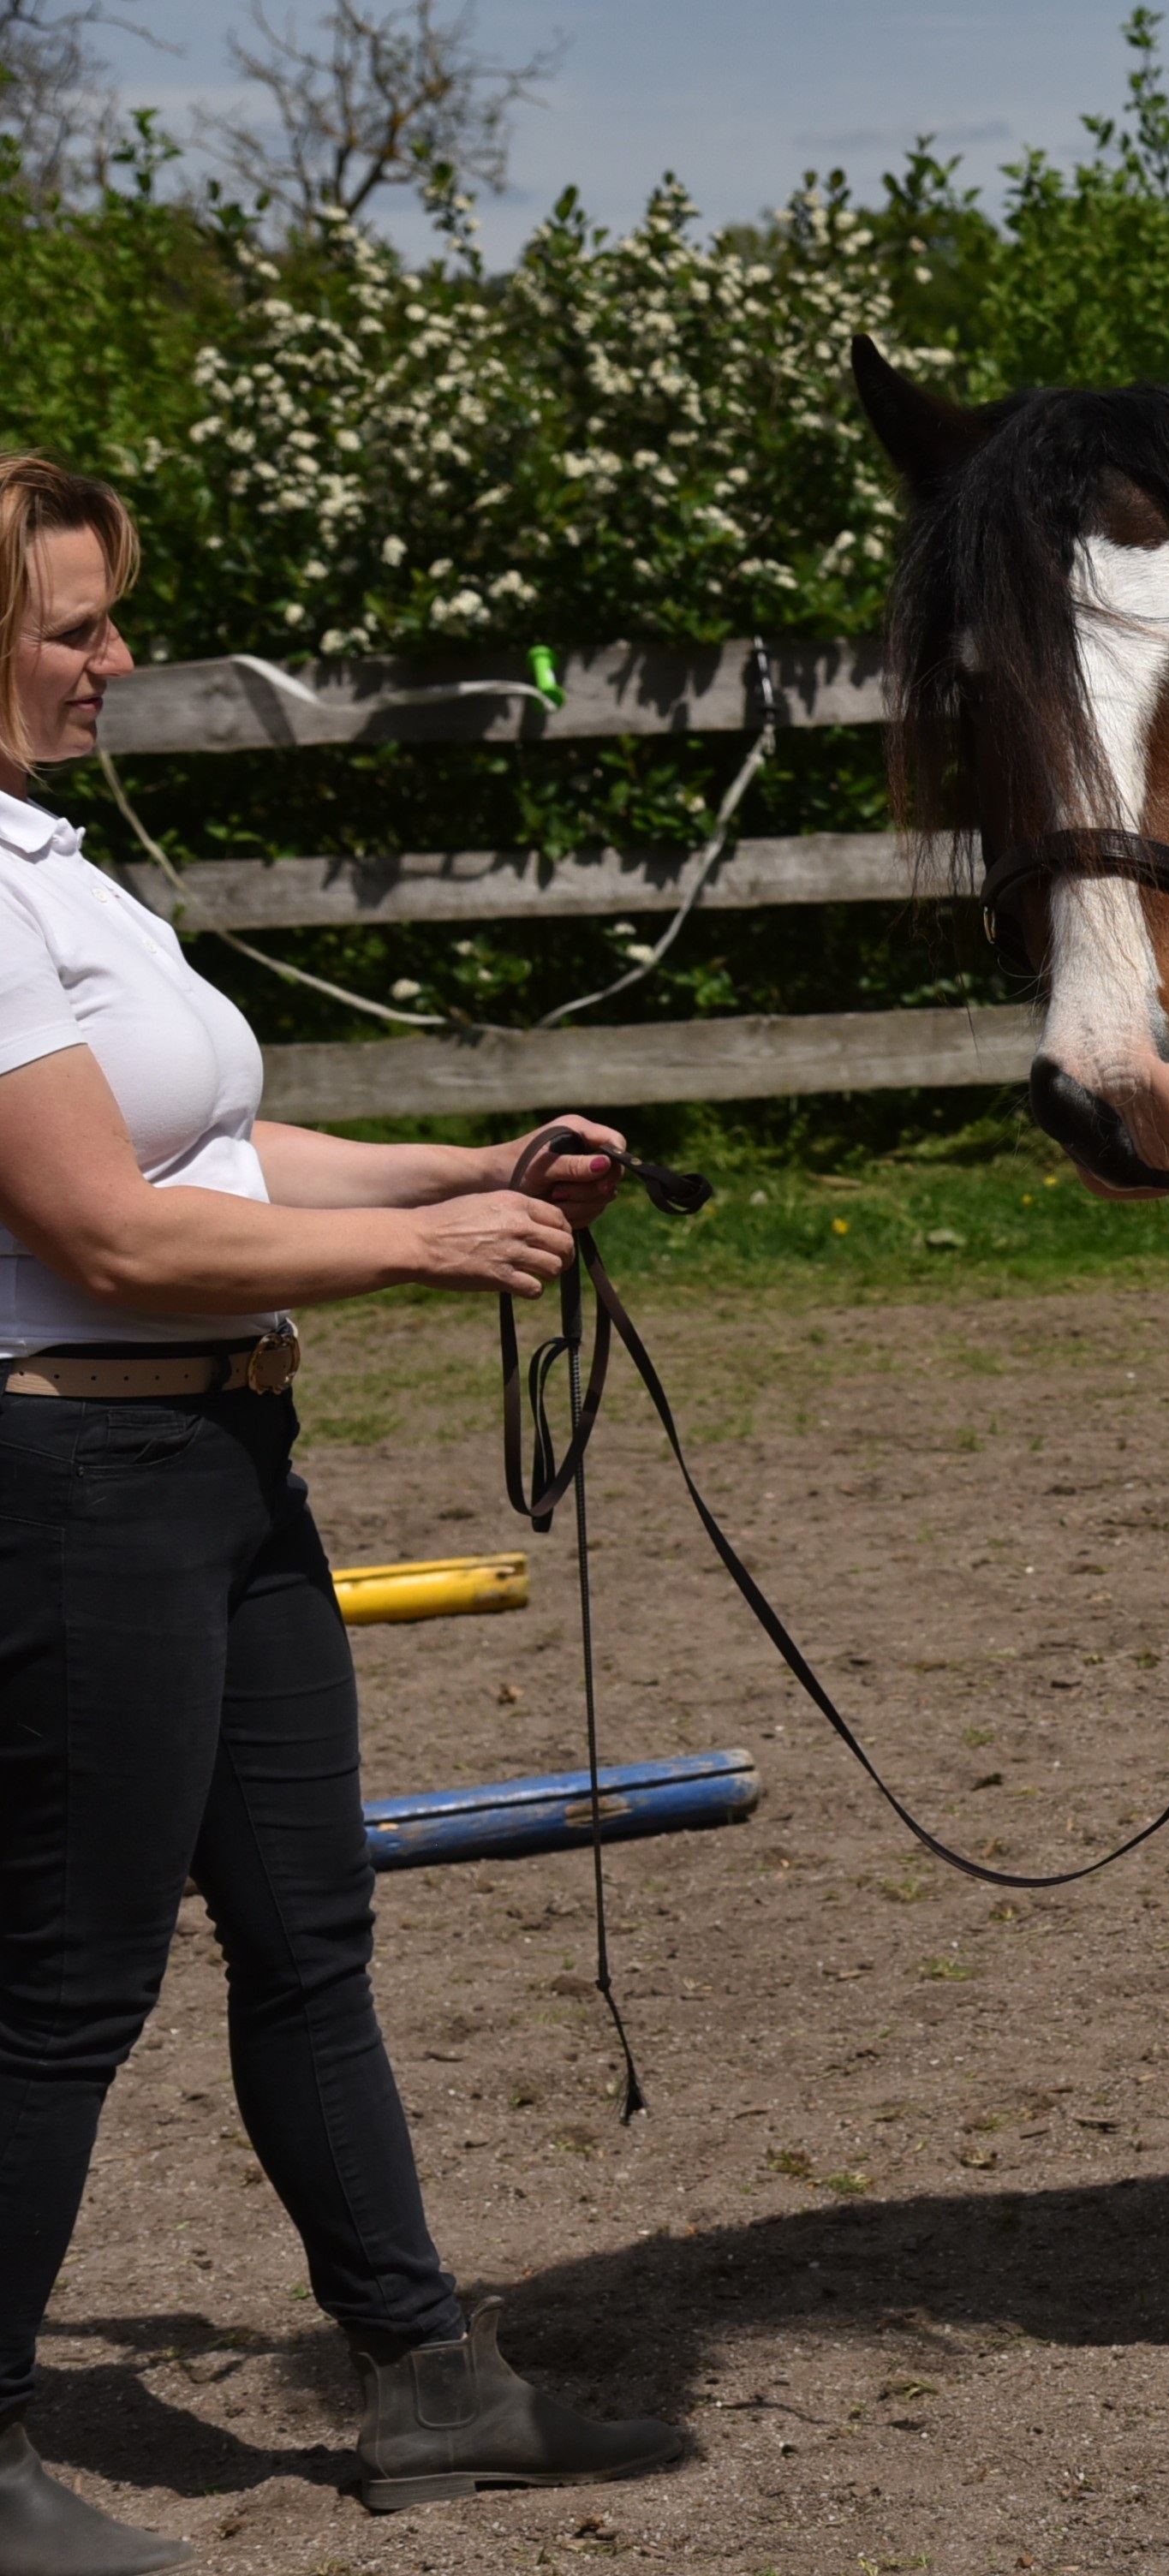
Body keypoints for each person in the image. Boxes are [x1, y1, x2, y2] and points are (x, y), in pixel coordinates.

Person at [0, 455, 686, 2575]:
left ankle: (425, 2376)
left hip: (220, 1465)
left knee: (310, 1933)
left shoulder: (60, 871)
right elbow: (108, 1236)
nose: (117, 659)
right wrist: (429, 1252)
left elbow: (220, 1151)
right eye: (74, 626)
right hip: (78, 1480)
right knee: (68, 1979)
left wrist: (472, 1167)